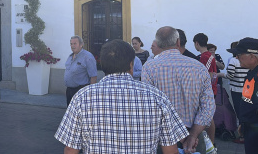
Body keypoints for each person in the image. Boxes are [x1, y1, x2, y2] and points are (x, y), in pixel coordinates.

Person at [55, 39, 189, 154]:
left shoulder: (81, 97)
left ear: (103, 65)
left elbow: (70, 150)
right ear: (131, 65)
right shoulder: (157, 97)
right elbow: (171, 150)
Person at [143, 26, 215, 154]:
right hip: (193, 138)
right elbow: (208, 107)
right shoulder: (198, 67)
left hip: (163, 139)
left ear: (158, 43)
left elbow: (149, 106)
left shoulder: (149, 67)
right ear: (178, 42)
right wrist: (192, 135)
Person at [228, 37, 258, 154]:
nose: (236, 57)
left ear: (252, 56)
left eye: (239, 54)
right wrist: (245, 123)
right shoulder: (255, 72)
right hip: (254, 129)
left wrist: (251, 120)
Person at [217, 41, 249, 143]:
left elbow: (230, 75)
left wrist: (220, 75)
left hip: (236, 90)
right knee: (248, 112)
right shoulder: (249, 61)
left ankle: (242, 136)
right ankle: (249, 135)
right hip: (248, 90)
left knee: (240, 113)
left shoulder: (233, 61)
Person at [193, 33, 217, 145]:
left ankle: (211, 143)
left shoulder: (205, 56)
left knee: (209, 118)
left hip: (208, 90)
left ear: (197, 43)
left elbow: (208, 75)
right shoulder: (208, 55)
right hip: (211, 89)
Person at [64, 35, 97, 106]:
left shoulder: (87, 57)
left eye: (75, 43)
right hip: (69, 91)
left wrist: (91, 94)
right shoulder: (70, 56)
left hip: (80, 91)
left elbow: (93, 76)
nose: (72, 46)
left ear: (81, 45)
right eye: (71, 44)